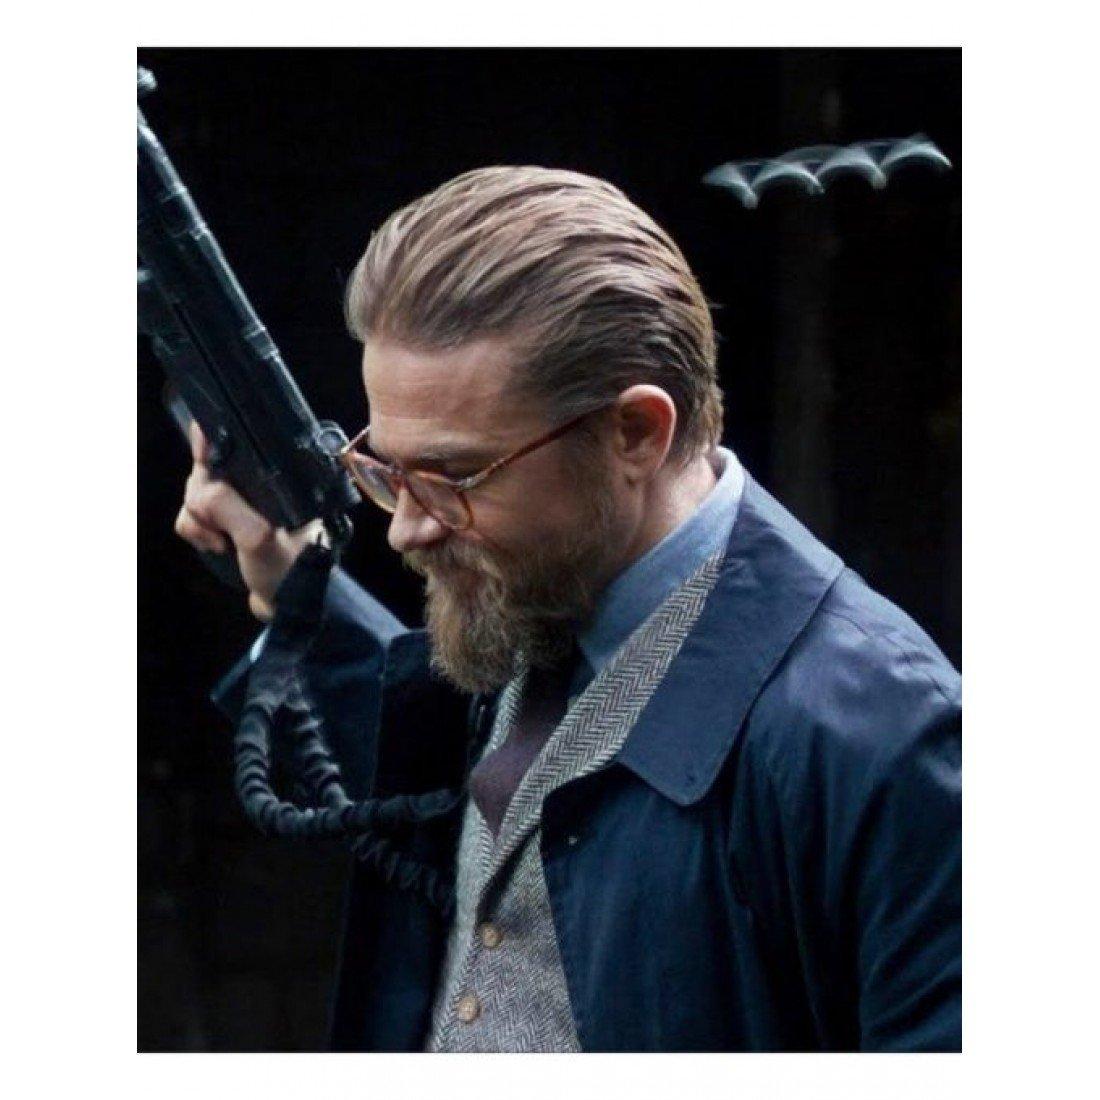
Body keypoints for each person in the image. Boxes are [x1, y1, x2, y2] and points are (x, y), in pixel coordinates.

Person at [175, 166, 961, 1052]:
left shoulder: (886, 740)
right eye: (388, 469)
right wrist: (294, 587)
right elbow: (456, 789)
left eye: (454, 476)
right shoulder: (542, 585)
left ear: (636, 433)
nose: (406, 529)